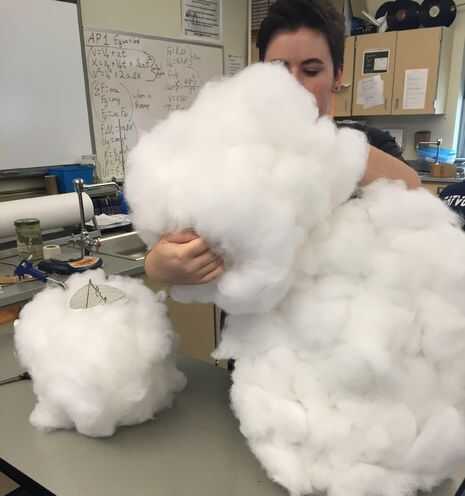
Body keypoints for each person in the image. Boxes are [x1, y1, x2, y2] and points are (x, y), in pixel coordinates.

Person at [144, 0, 421, 286]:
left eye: (311, 71)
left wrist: (325, 142)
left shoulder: (368, 144)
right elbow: (174, 232)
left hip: (347, 309)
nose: (292, 84)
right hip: (253, 312)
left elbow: (416, 196)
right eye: (278, 70)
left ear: (337, 76)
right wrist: (157, 265)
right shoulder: (229, 147)